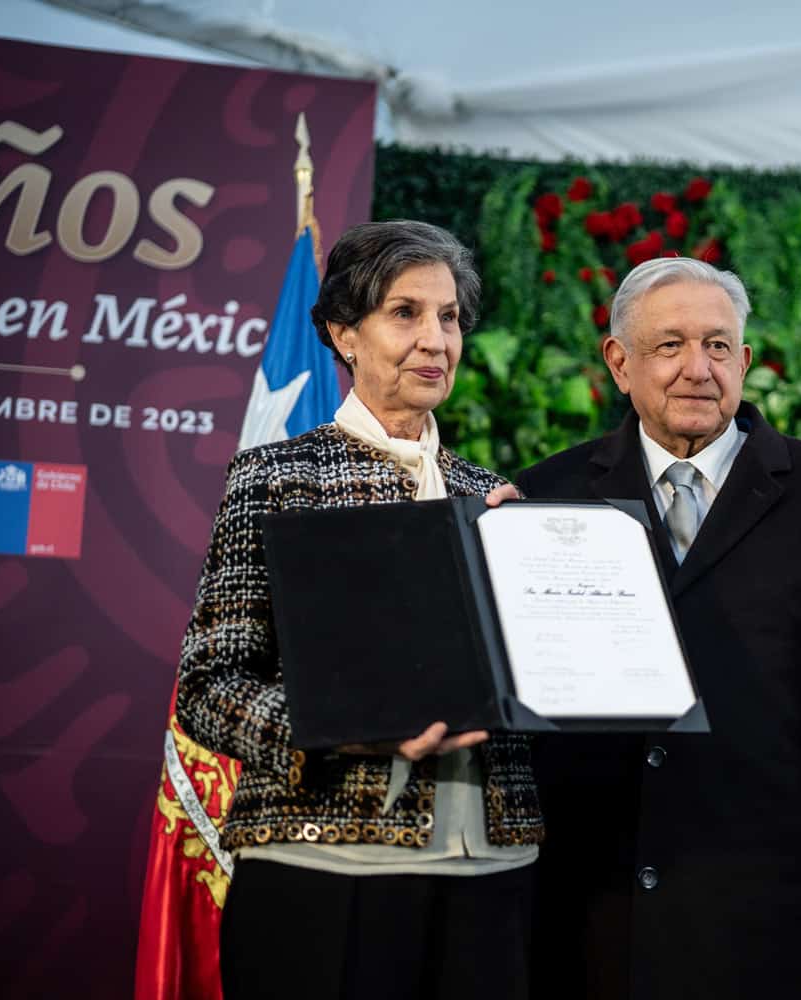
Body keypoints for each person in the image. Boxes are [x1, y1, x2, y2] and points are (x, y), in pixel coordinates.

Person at [175, 220, 544, 999]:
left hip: (495, 869)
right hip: (325, 866)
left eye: (449, 317)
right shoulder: (277, 477)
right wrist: (351, 729)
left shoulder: (498, 499)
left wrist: (539, 582)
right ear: (344, 334)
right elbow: (210, 691)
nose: (435, 339)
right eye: (404, 313)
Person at [517, 257, 801, 999]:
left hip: (762, 908)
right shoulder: (545, 494)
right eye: (670, 346)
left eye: (719, 345)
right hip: (590, 906)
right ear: (618, 363)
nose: (699, 368)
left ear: (746, 362)